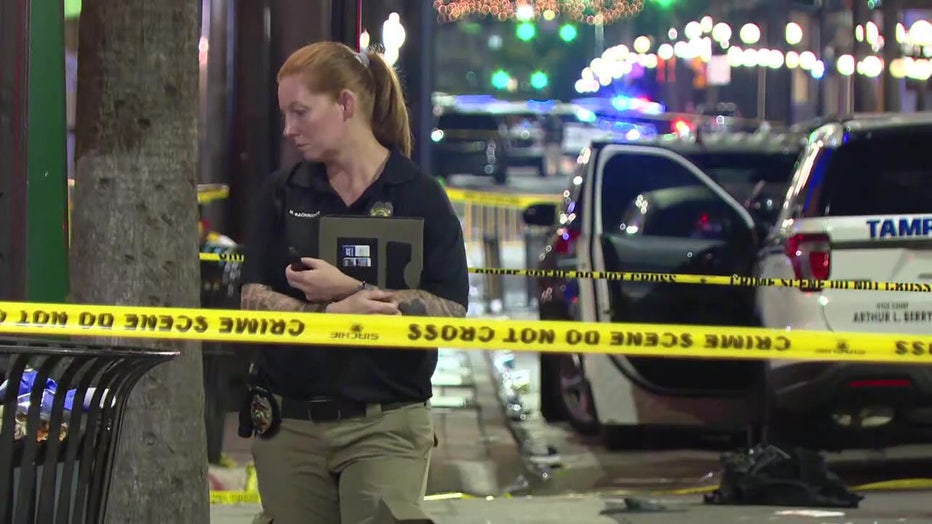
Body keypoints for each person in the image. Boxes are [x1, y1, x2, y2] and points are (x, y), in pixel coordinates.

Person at [240, 41, 469, 524]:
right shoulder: (282, 193)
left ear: (345, 104)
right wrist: (326, 317)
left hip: (386, 422)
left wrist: (352, 292)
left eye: (300, 112)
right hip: (289, 425)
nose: (289, 129)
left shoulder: (419, 196)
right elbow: (251, 299)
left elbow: (452, 310)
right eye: (285, 114)